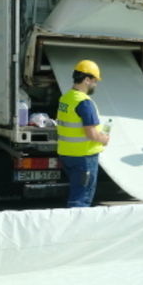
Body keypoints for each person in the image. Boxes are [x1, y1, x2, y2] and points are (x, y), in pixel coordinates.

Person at [56, 59, 111, 208]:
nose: (96, 84)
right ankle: (77, 228)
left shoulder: (65, 98)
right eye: (94, 81)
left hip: (67, 154)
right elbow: (91, 133)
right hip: (84, 157)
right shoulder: (85, 103)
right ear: (87, 79)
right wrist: (104, 139)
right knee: (81, 198)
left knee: (76, 191)